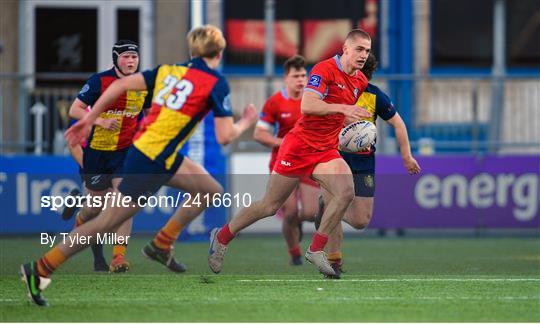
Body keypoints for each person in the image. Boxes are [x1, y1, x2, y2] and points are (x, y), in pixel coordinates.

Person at [20, 24, 258, 307]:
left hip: (157, 153)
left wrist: (88, 117)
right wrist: (246, 121)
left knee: (209, 189)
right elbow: (224, 136)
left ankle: (162, 243)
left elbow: (121, 84)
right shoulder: (216, 82)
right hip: (150, 159)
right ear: (219, 53)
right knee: (107, 221)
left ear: (192, 50)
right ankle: (40, 269)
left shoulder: (168, 71)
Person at [208, 29, 373, 276]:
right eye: (359, 49)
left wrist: (354, 132)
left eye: (368, 51)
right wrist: (342, 109)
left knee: (346, 191)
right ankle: (221, 237)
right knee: (269, 205)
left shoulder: (360, 81)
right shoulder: (323, 70)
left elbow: (338, 116)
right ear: (345, 49)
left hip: (326, 149)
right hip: (298, 147)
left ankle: (316, 249)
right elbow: (308, 106)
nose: (363, 55)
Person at [316, 53, 421, 279]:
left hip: (363, 162)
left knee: (360, 220)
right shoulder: (333, 91)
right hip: (333, 157)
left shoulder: (374, 95)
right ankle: (334, 262)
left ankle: (327, 208)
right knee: (336, 201)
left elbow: (398, 123)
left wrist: (406, 157)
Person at [65, 40, 151, 273]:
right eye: (125, 57)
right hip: (97, 154)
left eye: (134, 57)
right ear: (116, 59)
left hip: (125, 154)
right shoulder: (99, 81)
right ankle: (80, 217)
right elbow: (75, 110)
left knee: (124, 202)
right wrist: (100, 120)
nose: (131, 61)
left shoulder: (144, 84)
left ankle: (118, 258)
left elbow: (151, 114)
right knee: (94, 208)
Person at [253, 55, 320, 266]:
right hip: (283, 164)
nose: (301, 80)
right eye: (296, 76)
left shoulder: (313, 101)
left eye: (303, 75)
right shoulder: (275, 102)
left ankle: (297, 224)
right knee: (290, 212)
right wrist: (284, 142)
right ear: (286, 78)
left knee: (310, 213)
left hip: (308, 163)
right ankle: (295, 254)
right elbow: (259, 134)